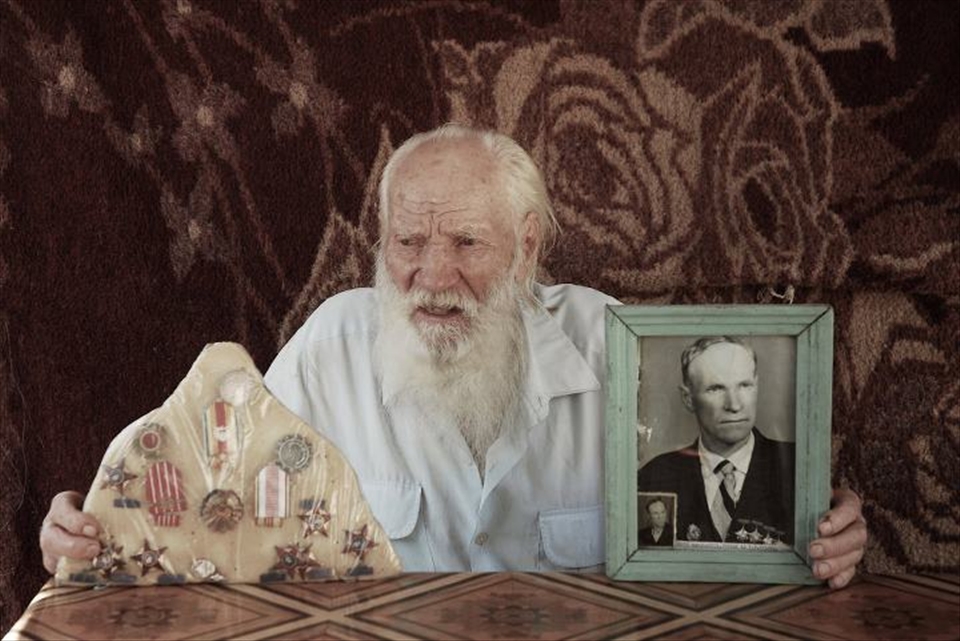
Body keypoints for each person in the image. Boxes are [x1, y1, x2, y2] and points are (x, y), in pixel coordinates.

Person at [39, 124, 867, 586]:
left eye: (467, 241)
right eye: (408, 240)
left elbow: (739, 545)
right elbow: (201, 507)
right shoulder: (332, 349)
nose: (432, 277)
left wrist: (823, 535)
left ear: (528, 246)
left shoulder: (615, 348)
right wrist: (88, 531)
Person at [639, 337, 795, 545]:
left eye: (744, 385)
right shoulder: (655, 475)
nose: (734, 404)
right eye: (716, 389)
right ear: (688, 398)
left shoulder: (796, 465)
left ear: (757, 386)